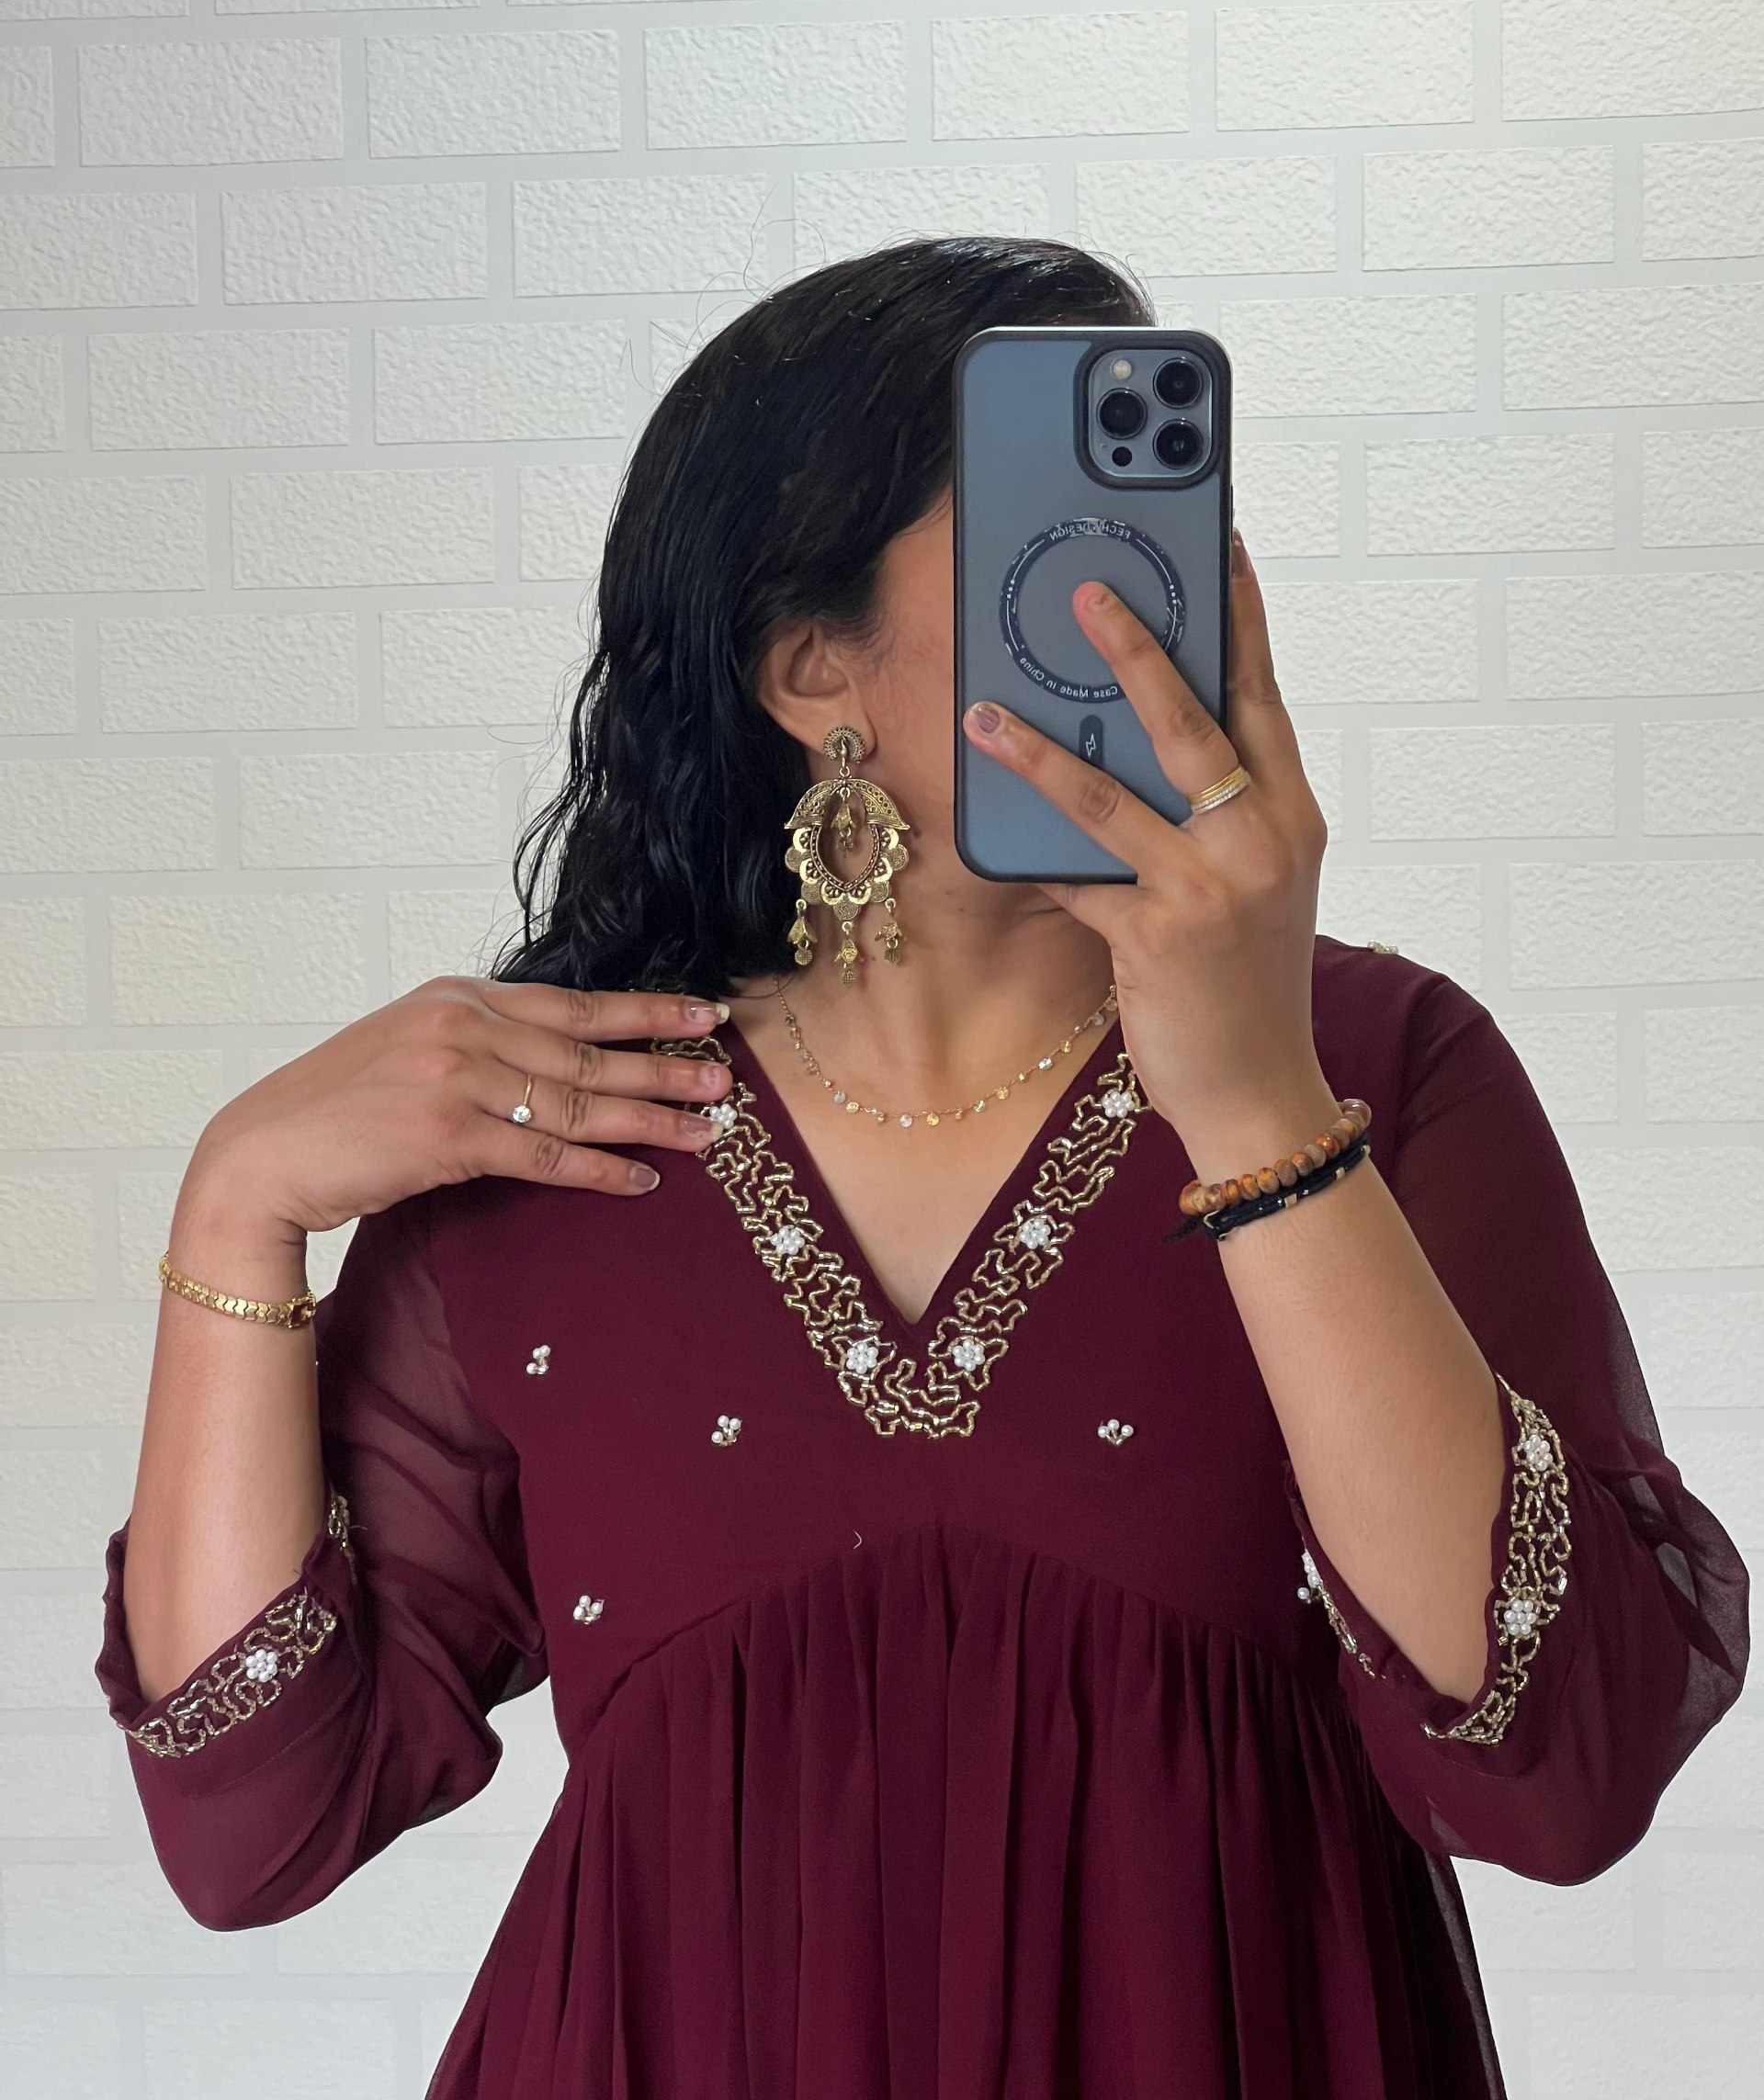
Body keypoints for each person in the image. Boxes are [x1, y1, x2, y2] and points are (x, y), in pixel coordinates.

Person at [95, 236, 1749, 2099]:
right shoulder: (570, 1125)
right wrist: (236, 1196)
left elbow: (1563, 1773)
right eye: (1058, 536)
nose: (1141, 602)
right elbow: (256, 1822)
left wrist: (1255, 1102)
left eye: (1170, 528)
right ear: (817, 669)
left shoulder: (1379, 1067)